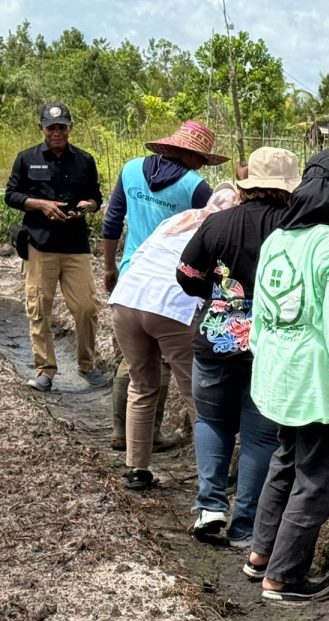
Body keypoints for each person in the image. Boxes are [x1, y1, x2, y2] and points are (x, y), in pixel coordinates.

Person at [243, 149, 329, 603]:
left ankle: (260, 554)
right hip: (320, 384)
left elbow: (260, 318)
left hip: (279, 379)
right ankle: (283, 578)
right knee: (318, 480)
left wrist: (269, 362)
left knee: (285, 462)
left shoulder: (278, 239)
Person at [176, 147, 301, 547]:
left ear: (248, 184)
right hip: (272, 347)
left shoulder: (218, 222)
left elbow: (186, 274)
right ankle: (246, 526)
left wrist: (217, 295)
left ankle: (210, 507)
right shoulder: (297, 230)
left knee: (212, 422)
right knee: (261, 437)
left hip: (216, 339)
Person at [101, 120, 228, 453]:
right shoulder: (195, 186)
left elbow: (112, 221)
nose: (201, 165)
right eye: (201, 158)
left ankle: (123, 434)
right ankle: (207, 459)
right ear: (189, 154)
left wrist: (109, 266)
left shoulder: (131, 169)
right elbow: (217, 230)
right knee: (180, 371)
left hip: (132, 277)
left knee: (134, 365)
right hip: (173, 286)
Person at [109, 184, 240, 491]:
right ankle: (214, 473)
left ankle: (137, 469)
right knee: (197, 392)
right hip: (172, 308)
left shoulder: (179, 218)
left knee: (141, 385)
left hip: (127, 300)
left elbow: (138, 256)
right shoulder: (223, 228)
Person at [3, 102, 107, 392]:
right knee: (39, 308)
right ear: (42, 128)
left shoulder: (84, 160)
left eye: (62, 127)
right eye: (51, 127)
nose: (57, 132)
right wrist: (40, 205)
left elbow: (96, 197)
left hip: (75, 246)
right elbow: (11, 195)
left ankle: (87, 365)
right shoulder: (27, 158)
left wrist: (88, 206)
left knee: (86, 307)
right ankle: (45, 371)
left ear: (70, 128)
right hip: (40, 244)